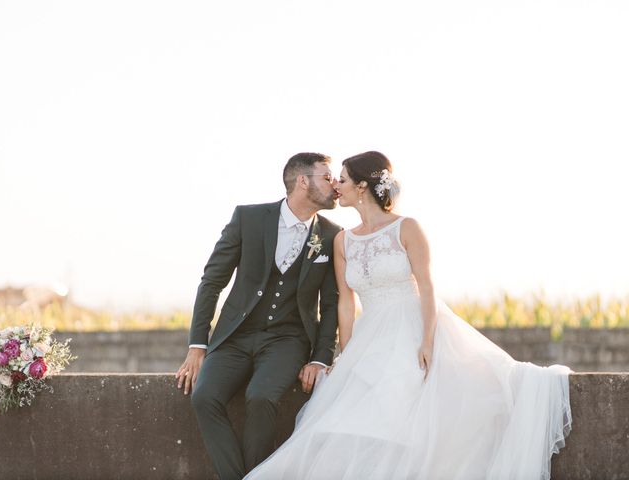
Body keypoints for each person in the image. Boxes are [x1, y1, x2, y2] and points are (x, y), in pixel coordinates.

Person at [245, 151, 572, 480]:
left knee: (410, 410)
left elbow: (427, 288)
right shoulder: (343, 241)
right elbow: (346, 302)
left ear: (361, 186)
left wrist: (427, 342)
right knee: (345, 419)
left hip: (415, 326)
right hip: (371, 331)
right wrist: (347, 352)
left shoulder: (407, 228)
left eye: (341, 179)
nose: (335, 186)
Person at [175, 152, 342, 480]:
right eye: (327, 176)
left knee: (261, 397)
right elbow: (212, 281)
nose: (334, 184)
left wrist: (321, 358)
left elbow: (333, 304)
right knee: (204, 396)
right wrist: (198, 345)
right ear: (302, 181)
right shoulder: (248, 218)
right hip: (235, 335)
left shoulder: (332, 235)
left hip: (288, 340)